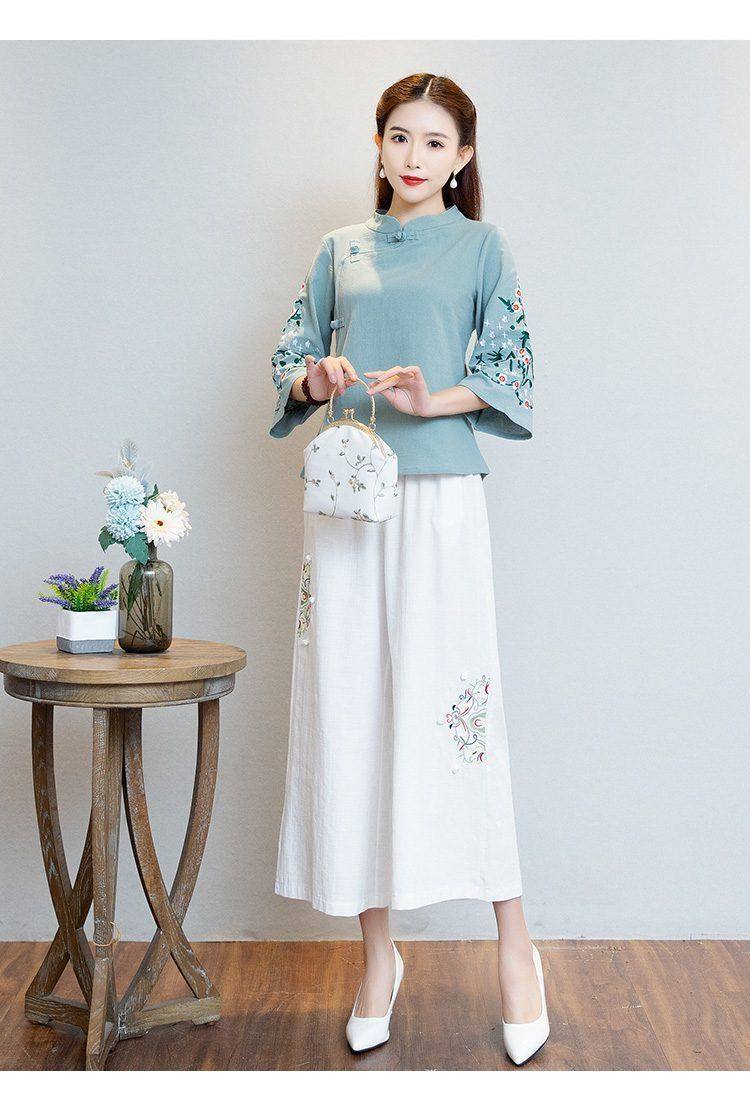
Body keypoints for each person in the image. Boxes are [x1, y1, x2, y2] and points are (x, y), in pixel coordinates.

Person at [268, 72, 548, 1066]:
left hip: (440, 501)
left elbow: (512, 367)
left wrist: (436, 401)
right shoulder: (339, 248)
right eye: (399, 136)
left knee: (458, 712)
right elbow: (292, 357)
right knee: (352, 711)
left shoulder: (481, 246)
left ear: (462, 158)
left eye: (435, 142)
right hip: (347, 500)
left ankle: (515, 947)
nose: (414, 156)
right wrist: (317, 377)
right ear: (379, 144)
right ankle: (378, 957)